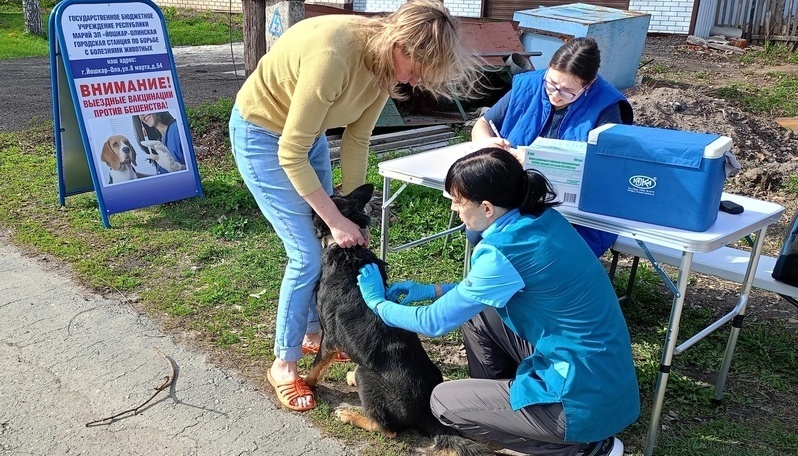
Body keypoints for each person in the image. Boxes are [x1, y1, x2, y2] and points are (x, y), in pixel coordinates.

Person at [228, 0, 481, 412]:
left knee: (327, 246)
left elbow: (357, 140)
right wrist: (336, 221)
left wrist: (349, 210)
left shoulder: (385, 66)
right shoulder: (333, 55)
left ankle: (314, 331)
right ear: (399, 43)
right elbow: (289, 152)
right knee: (308, 255)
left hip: (307, 136)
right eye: (415, 70)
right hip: (263, 133)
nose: (413, 81)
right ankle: (284, 363)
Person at [357, 148, 639, 456]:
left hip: (581, 401)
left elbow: (432, 322)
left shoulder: (502, 252)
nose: (453, 209)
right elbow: (487, 290)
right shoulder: (542, 219)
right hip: (604, 376)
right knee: (479, 314)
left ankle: (584, 449)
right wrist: (433, 290)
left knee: (442, 403)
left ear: (487, 208)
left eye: (457, 201)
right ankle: (506, 408)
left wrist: (376, 302)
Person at [471, 37, 633, 257]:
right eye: (551, 83)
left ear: (590, 84)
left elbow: (606, 166)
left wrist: (536, 159)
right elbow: (483, 124)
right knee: (478, 227)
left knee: (540, 249)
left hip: (569, 205)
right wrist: (486, 142)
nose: (555, 95)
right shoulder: (529, 85)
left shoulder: (606, 106)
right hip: (518, 193)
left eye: (567, 91)